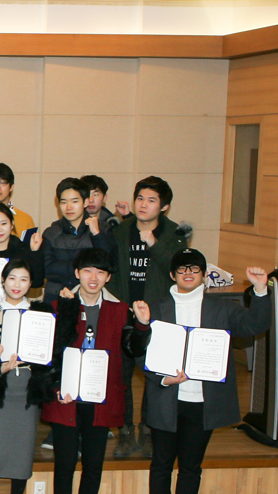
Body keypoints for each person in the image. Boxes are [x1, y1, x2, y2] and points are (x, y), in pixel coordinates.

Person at [141, 252, 272, 494]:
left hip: (203, 403)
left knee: (191, 467)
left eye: (194, 269)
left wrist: (261, 290)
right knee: (160, 466)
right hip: (165, 399)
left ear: (203, 275)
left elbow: (255, 325)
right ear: (172, 274)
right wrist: (162, 378)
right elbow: (139, 352)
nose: (188, 273)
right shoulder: (155, 308)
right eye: (182, 269)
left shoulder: (222, 308)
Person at [42, 249, 150, 494]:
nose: (93, 278)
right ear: (77, 273)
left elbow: (133, 349)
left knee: (93, 466)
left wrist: (142, 325)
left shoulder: (120, 310)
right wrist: (55, 387)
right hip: (65, 398)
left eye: (100, 272)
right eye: (87, 271)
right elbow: (48, 356)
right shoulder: (59, 307)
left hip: (100, 399)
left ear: (108, 277)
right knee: (64, 465)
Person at [109, 176, 189, 458]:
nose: (143, 204)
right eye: (140, 198)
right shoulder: (121, 230)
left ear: (164, 206)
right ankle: (125, 431)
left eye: (151, 200)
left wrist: (154, 244)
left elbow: (180, 271)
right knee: (122, 376)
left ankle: (149, 429)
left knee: (155, 375)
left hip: (158, 316)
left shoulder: (174, 234)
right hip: (124, 312)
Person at [0, 260, 60, 494]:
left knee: (22, 450)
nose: (17, 284)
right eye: (12, 278)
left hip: (26, 388)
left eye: (24, 279)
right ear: (3, 280)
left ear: (31, 284)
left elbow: (52, 353)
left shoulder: (42, 313)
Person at [42, 178, 114, 303]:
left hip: (90, 297)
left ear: (85, 202)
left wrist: (97, 235)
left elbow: (110, 264)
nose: (69, 207)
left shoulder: (102, 230)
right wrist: (82, 267)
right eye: (64, 202)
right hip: (55, 296)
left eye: (75, 201)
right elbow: (47, 268)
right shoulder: (51, 233)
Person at [0, 204, 45, 291]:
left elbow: (37, 283)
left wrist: (35, 252)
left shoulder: (23, 250)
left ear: (12, 224)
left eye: (3, 223)